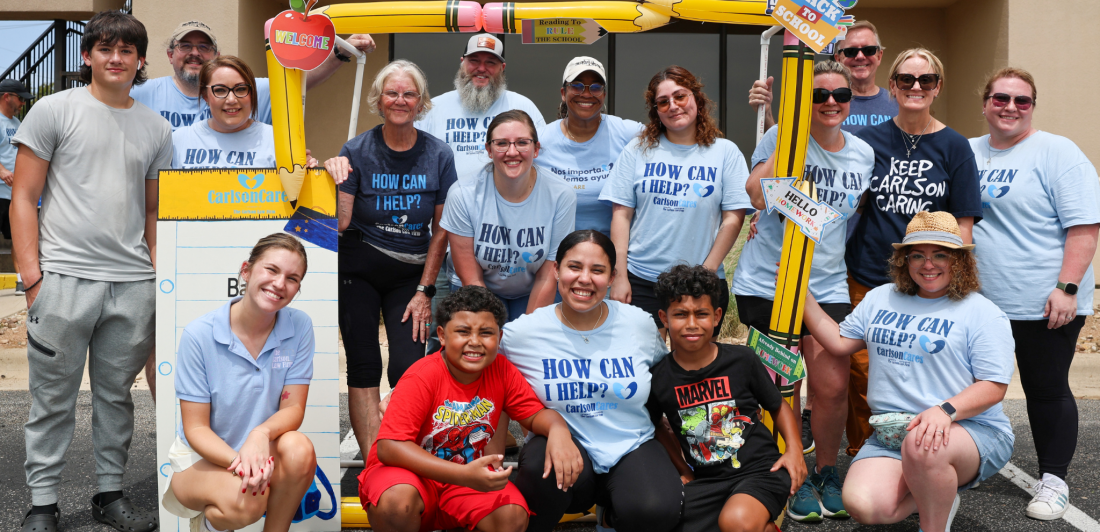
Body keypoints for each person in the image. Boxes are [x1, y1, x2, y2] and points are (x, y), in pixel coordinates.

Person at [12, 11, 170, 532]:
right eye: (105, 49)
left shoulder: (156, 128)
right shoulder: (54, 110)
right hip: (62, 278)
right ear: (88, 56)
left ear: (140, 59)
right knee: (51, 400)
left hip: (131, 285)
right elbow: (24, 196)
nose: (116, 58)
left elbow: (152, 211)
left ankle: (108, 494)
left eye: (127, 51)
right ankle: (42, 504)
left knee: (115, 399)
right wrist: (33, 278)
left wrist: (157, 278)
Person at [803, 211, 1015, 532]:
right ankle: (938, 494)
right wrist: (800, 293)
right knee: (864, 505)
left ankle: (933, 525)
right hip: (893, 435)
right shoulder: (880, 298)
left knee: (923, 443)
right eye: (918, 255)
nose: (928, 264)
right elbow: (837, 342)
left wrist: (945, 411)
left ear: (958, 260)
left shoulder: (982, 313)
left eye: (940, 255)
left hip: (967, 430)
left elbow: (994, 386)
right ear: (905, 260)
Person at [735, 60, 874, 522]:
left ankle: (826, 472)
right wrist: (789, 131)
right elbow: (756, 194)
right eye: (819, 96)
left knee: (832, 386)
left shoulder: (862, 153)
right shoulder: (780, 138)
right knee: (782, 385)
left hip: (826, 282)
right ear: (803, 103)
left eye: (841, 94)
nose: (831, 102)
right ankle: (788, 472)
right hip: (769, 283)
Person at [970, 68, 1100, 521]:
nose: (1010, 108)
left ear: (1032, 107)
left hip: (1043, 300)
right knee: (970, 388)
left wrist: (1067, 288)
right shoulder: (968, 152)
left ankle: (1054, 480)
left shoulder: (1057, 152)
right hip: (979, 302)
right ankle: (960, 466)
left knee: (1045, 389)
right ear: (985, 103)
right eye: (1001, 98)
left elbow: (1084, 226)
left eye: (1022, 101)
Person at [843, 47, 982, 458]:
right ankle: (864, 453)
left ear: (938, 87)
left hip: (928, 283)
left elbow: (964, 226)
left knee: (923, 372)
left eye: (926, 80)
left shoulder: (955, 147)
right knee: (862, 374)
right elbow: (847, 200)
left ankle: (923, 457)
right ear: (893, 86)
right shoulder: (867, 142)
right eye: (906, 79)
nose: (916, 87)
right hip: (868, 276)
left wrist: (950, 286)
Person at [359, 285, 581, 532]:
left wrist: (559, 430)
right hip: (410, 476)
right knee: (396, 503)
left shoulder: (502, 369)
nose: (474, 342)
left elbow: (536, 414)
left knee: (511, 515)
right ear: (442, 335)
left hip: (466, 478)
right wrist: (462, 475)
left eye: (486, 332)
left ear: (499, 337)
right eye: (463, 332)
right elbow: (389, 447)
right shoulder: (422, 376)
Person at [504, 230, 683, 532]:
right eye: (574, 267)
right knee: (538, 470)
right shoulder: (521, 334)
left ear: (612, 277)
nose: (584, 279)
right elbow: (478, 372)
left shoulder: (637, 323)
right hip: (565, 453)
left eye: (597, 270)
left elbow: (669, 380)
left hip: (632, 444)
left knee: (657, 512)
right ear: (556, 270)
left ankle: (610, 515)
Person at [323, 60, 457, 461]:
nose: (400, 100)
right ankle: (373, 462)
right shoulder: (357, 149)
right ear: (379, 101)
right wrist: (327, 175)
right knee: (364, 363)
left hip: (410, 276)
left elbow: (442, 232)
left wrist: (424, 291)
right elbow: (342, 221)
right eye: (392, 93)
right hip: (358, 268)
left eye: (409, 93)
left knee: (407, 366)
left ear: (421, 102)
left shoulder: (438, 154)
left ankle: (403, 450)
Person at [162, 233, 318, 532]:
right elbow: (196, 429)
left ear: (297, 288)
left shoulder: (300, 326)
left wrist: (260, 434)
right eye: (271, 270)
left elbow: (294, 408)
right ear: (246, 271)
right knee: (247, 501)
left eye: (292, 278)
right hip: (201, 459)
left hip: (259, 449)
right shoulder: (199, 335)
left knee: (299, 449)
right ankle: (208, 523)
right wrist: (241, 461)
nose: (279, 284)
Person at [648, 264, 806, 532]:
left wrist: (794, 451)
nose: (691, 324)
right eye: (680, 314)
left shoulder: (742, 360)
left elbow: (778, 405)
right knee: (660, 518)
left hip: (761, 470)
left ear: (717, 315)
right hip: (708, 481)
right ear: (664, 317)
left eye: (701, 314)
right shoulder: (658, 377)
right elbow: (658, 428)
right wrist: (684, 472)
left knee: (736, 523)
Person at [416, 32, 546, 355]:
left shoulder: (522, 107)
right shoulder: (435, 109)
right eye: (475, 60)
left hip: (516, 250)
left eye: (491, 62)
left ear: (502, 68)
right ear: (463, 63)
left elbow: (542, 170)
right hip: (447, 244)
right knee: (448, 341)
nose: (481, 68)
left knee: (519, 350)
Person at [600, 65, 750, 335]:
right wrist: (619, 275)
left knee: (695, 371)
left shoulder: (725, 152)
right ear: (655, 109)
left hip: (701, 281)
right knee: (647, 369)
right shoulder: (637, 150)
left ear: (696, 98)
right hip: (642, 280)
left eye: (680, 96)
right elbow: (621, 215)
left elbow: (733, 218)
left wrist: (707, 272)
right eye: (663, 101)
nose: (673, 106)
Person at [440, 109, 575, 320]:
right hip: (479, 286)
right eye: (502, 143)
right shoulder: (462, 194)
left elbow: (548, 275)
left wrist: (526, 334)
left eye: (522, 142)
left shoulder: (561, 195)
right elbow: (472, 278)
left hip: (534, 285)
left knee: (529, 346)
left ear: (536, 149)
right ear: (489, 150)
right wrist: (492, 332)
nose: (512, 152)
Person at [131, 20, 375, 130]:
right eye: (185, 46)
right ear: (170, 55)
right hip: (166, 210)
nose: (195, 53)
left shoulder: (246, 91)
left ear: (216, 55)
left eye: (204, 47)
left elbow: (301, 81)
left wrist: (340, 52)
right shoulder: (142, 93)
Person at [537, 56, 643, 237]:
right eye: (577, 86)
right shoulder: (540, 140)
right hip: (556, 253)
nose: (586, 94)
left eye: (595, 87)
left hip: (611, 252)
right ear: (563, 93)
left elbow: (671, 136)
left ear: (604, 95)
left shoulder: (628, 133)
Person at [750, 20, 897, 134]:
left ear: (879, 56)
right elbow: (784, 147)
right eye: (851, 51)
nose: (860, 56)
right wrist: (766, 112)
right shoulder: (816, 101)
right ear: (838, 58)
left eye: (868, 50)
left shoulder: (899, 104)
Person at [172, 55, 316, 170]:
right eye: (220, 90)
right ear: (205, 96)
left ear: (252, 94)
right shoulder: (179, 140)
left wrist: (308, 171)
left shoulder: (279, 141)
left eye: (240, 89)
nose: (231, 99)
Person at [0, 80, 33, 294]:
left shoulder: (16, 123)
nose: (22, 102)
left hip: (15, 193)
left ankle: (22, 281)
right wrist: (1, 170)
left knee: (18, 237)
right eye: (20, 98)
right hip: (0, 192)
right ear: (6, 96)